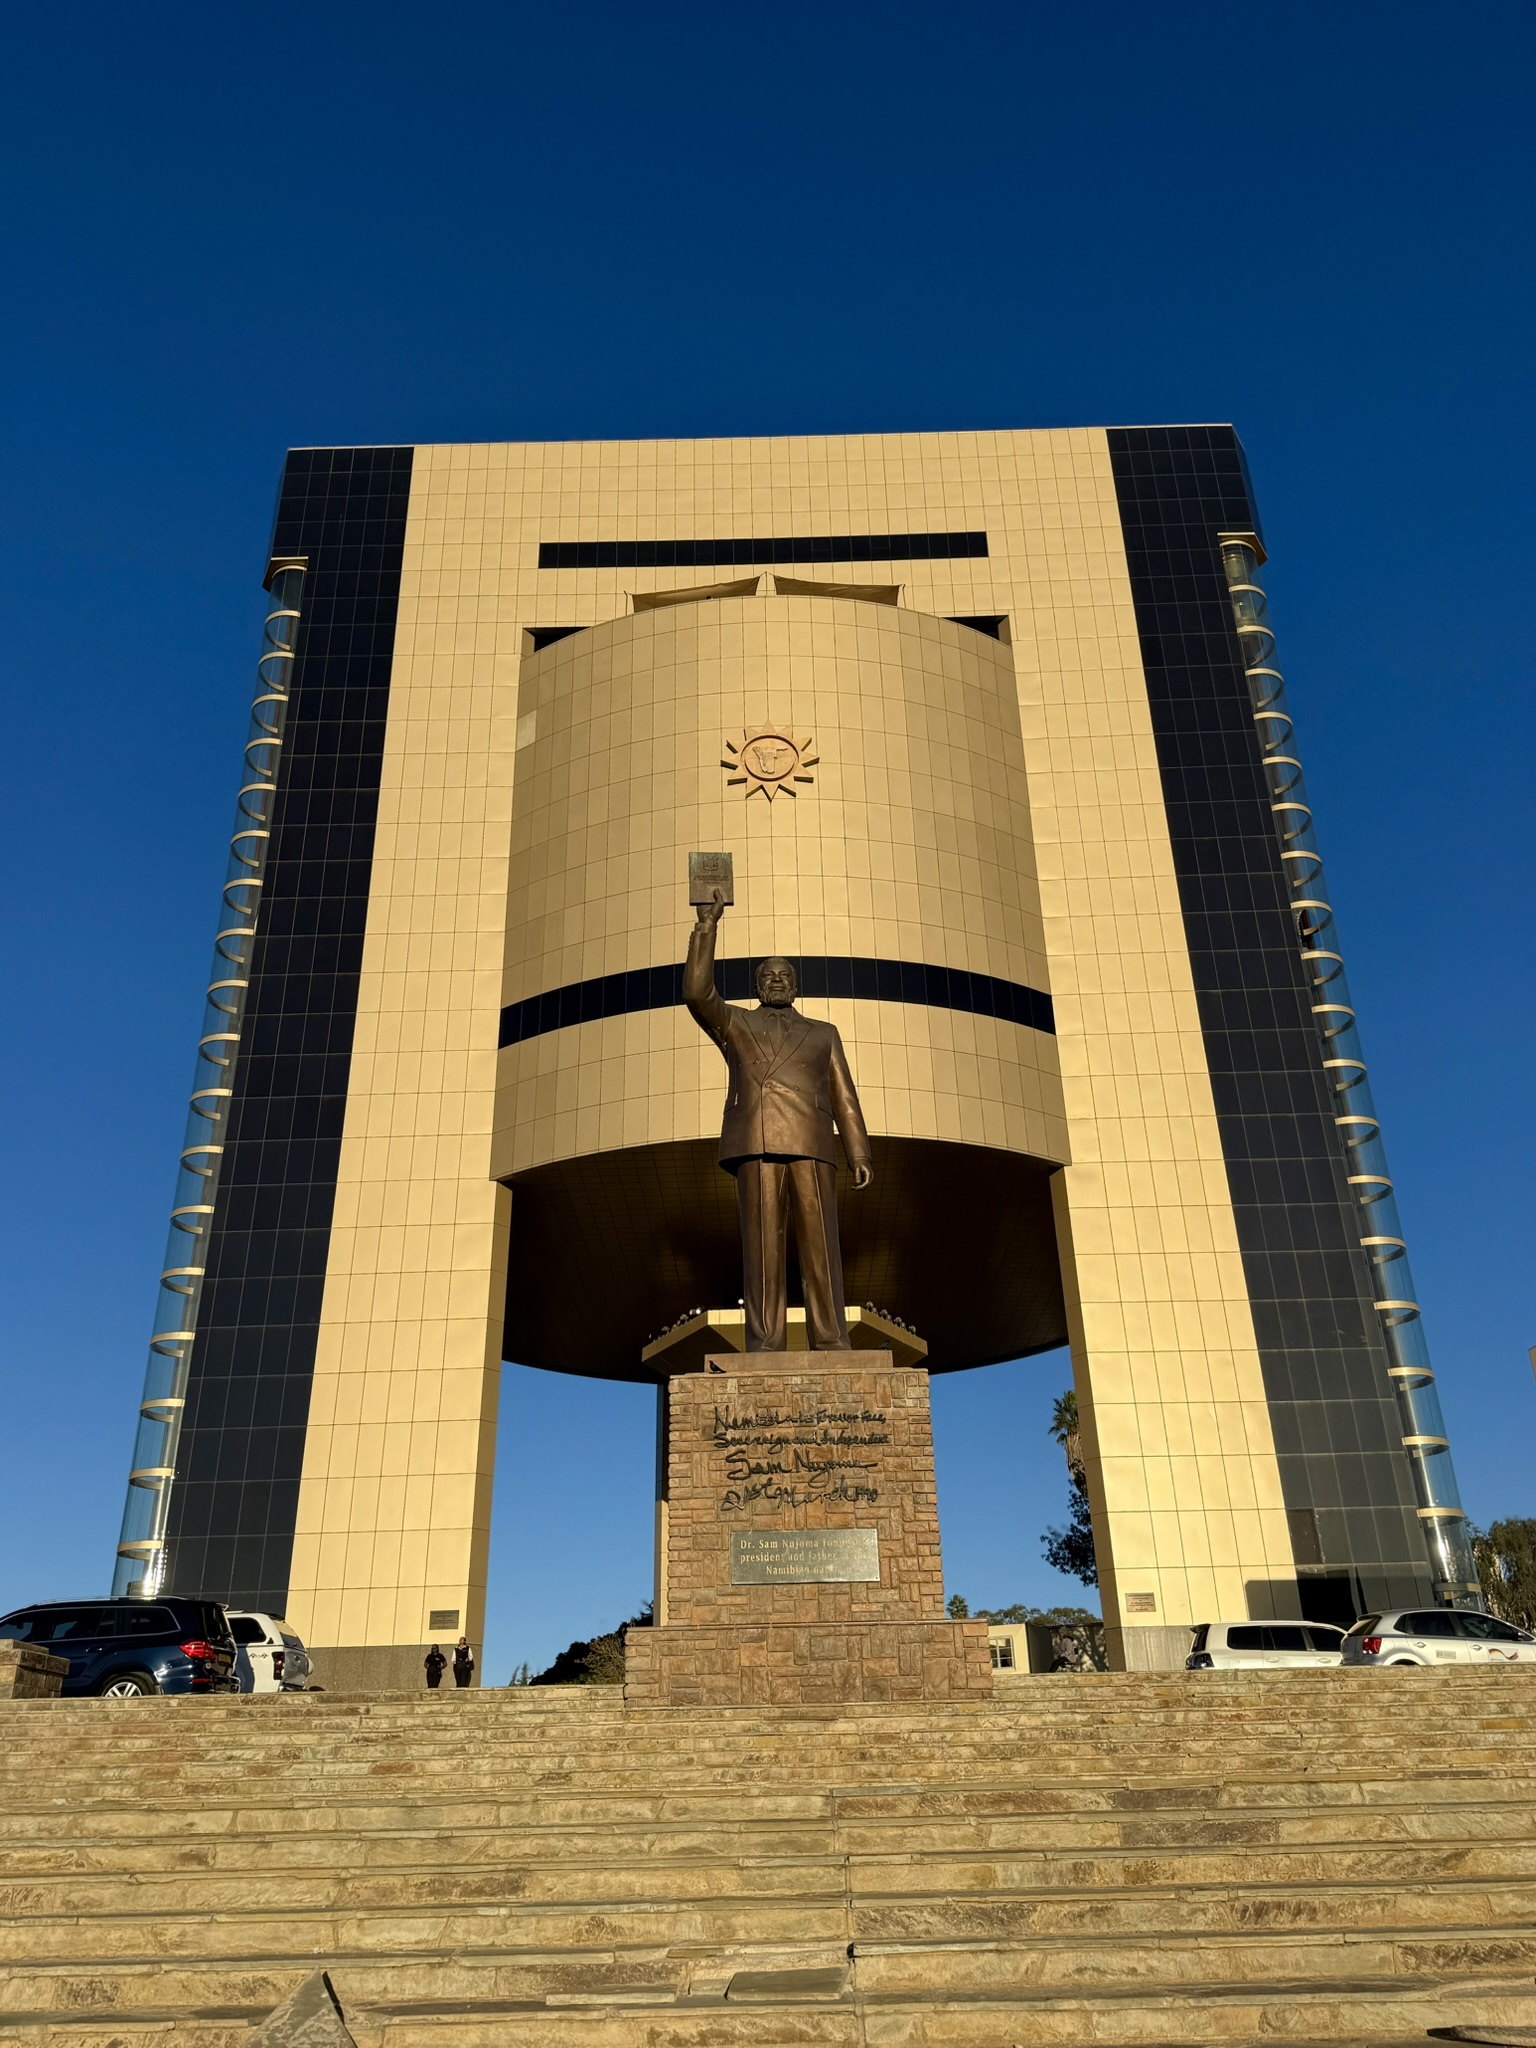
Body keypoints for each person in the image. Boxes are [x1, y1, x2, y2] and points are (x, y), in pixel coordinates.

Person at [684, 890, 871, 1350]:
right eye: (768, 975)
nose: (777, 980)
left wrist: (859, 1153)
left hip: (811, 1144)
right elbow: (697, 993)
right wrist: (707, 925)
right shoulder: (737, 1024)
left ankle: (831, 1340)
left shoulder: (823, 1034)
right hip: (757, 1142)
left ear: (795, 986)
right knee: (762, 1251)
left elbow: (844, 1097)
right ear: (758, 986)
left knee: (821, 1250)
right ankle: (765, 1343)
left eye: (785, 975)